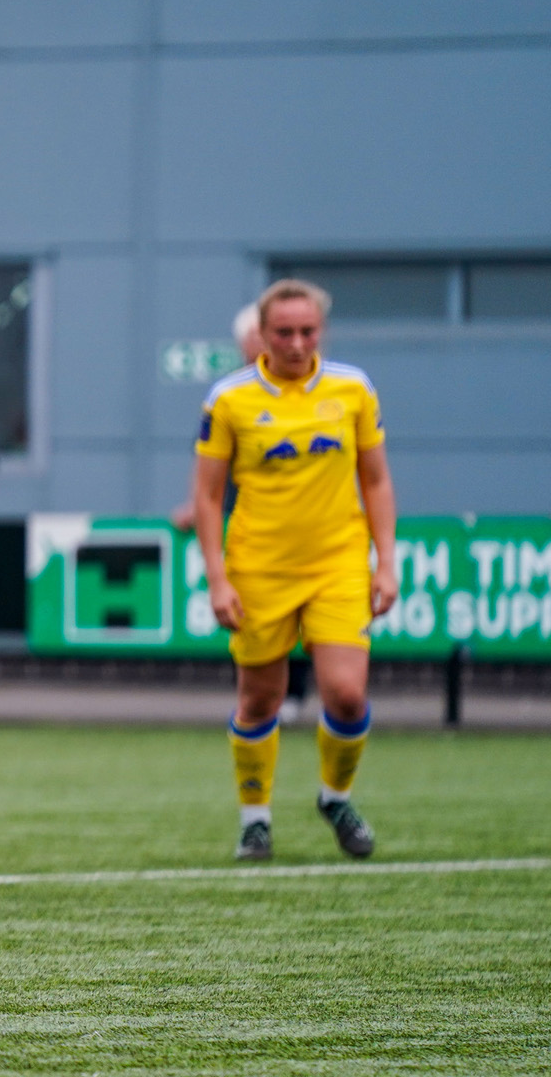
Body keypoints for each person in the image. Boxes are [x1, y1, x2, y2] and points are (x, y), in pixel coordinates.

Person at [192, 279, 398, 862]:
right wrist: (218, 576)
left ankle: (335, 798)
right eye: (283, 331)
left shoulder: (352, 388)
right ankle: (254, 821)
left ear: (321, 331)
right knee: (261, 701)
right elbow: (207, 497)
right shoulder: (229, 399)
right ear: (262, 332)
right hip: (259, 568)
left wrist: (387, 562)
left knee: (347, 694)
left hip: (338, 562)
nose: (296, 342)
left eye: (307, 331)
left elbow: (376, 478)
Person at [173, 303, 315, 724]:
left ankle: (295, 692)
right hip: (247, 526)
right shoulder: (230, 396)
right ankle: (259, 697)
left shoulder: (324, 390)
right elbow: (207, 469)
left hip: (303, 527)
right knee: (252, 616)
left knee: (306, 612)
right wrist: (195, 508)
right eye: (254, 338)